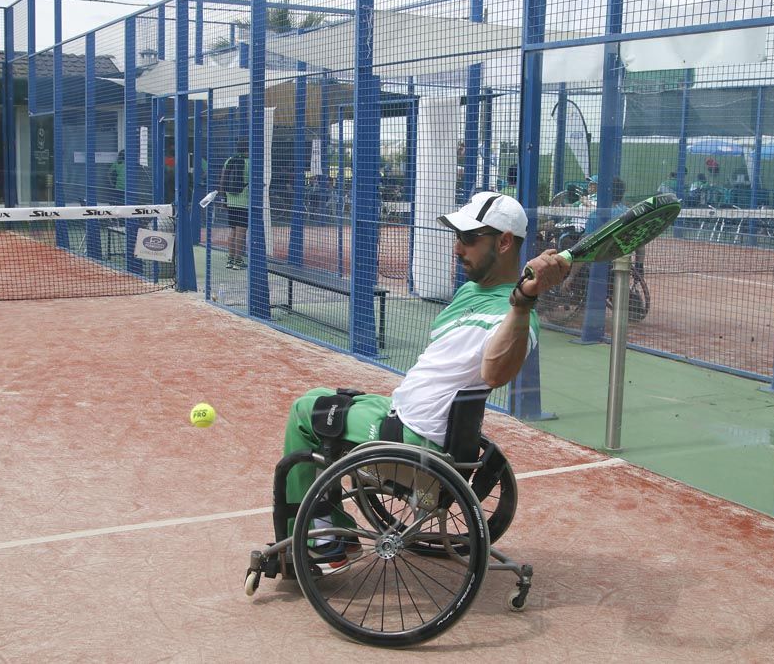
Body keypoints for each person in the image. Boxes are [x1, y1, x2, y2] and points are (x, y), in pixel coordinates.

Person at [280, 192, 569, 567]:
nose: (456, 249)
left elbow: (495, 374)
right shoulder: (470, 291)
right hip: (403, 417)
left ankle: (321, 541)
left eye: (468, 239)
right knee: (324, 396)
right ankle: (333, 531)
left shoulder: (516, 314)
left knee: (306, 412)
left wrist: (523, 300)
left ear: (503, 242)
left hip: (415, 441)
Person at [218, 141, 250, 269]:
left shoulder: (230, 160)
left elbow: (222, 179)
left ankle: (230, 259)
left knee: (232, 230)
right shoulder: (250, 162)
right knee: (241, 231)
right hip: (244, 201)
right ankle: (238, 260)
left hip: (230, 199)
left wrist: (223, 198)